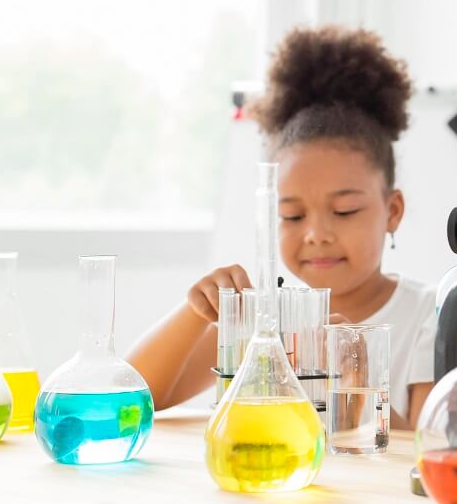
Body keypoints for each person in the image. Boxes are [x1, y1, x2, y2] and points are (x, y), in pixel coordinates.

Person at [128, 26, 436, 428]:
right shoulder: (264, 318)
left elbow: (428, 450)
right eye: (292, 215)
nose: (316, 234)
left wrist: (360, 381)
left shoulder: (431, 316)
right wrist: (195, 313)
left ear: (392, 211)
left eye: (344, 211)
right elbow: (130, 398)